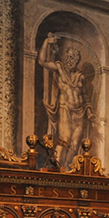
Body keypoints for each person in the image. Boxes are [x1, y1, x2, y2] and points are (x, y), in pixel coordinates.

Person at [38, 34, 96, 169]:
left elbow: (86, 97)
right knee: (64, 141)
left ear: (77, 61)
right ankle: (57, 169)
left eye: (74, 58)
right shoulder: (60, 68)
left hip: (80, 113)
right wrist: (47, 42)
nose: (71, 61)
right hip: (65, 109)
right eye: (69, 57)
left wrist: (89, 113)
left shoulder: (81, 77)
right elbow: (42, 61)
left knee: (75, 145)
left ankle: (67, 170)